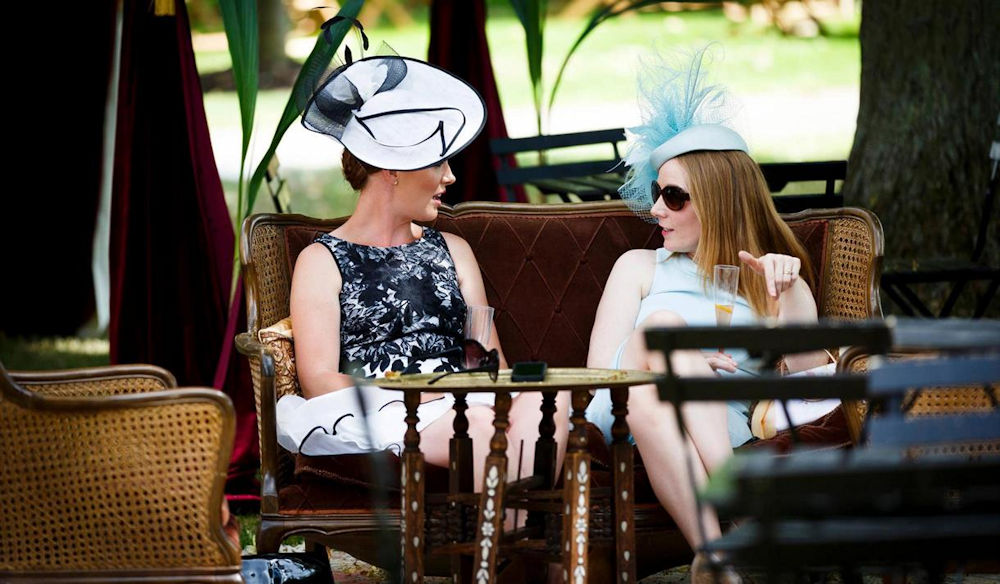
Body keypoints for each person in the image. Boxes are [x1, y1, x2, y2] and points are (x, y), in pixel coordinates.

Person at [585, 48, 830, 582]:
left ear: (717, 200)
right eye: (657, 194)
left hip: (717, 419)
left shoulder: (773, 279)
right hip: (621, 411)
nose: (656, 210)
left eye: (674, 197)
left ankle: (716, 558)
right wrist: (685, 358)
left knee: (657, 390)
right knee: (663, 330)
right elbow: (600, 376)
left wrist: (786, 293)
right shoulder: (639, 266)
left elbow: (813, 384)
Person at [275, 54, 568, 489]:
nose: (450, 176)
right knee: (486, 435)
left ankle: (501, 554)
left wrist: (482, 389)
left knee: (554, 404)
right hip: (383, 409)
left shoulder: (454, 250)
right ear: (393, 168)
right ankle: (523, 555)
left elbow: (491, 363)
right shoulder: (322, 260)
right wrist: (429, 391)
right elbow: (319, 381)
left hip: (471, 400)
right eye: (438, 163)